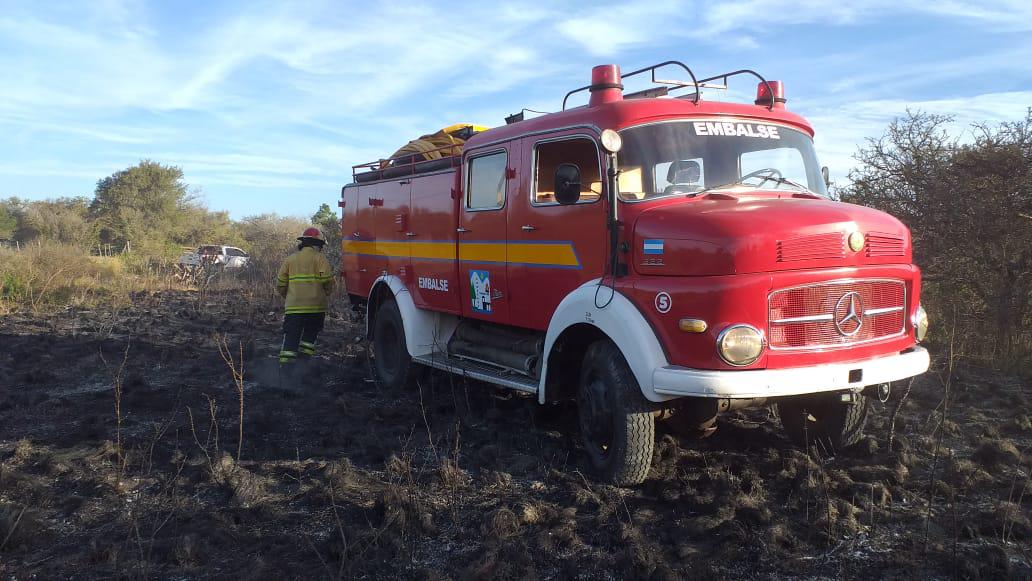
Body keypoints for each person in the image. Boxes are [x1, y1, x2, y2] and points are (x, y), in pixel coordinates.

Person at [276, 227, 335, 377]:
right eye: (320, 246)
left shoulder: (290, 259)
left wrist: (288, 296)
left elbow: (281, 283)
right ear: (317, 244)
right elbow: (327, 280)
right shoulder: (320, 259)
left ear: (303, 242)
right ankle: (302, 367)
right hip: (316, 308)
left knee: (291, 337)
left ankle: (285, 373)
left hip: (294, 307)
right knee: (309, 338)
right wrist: (326, 293)